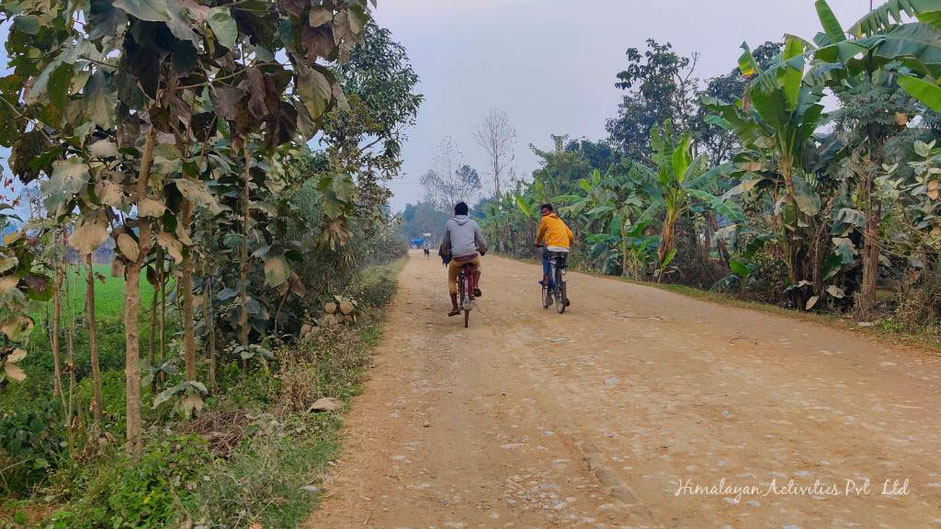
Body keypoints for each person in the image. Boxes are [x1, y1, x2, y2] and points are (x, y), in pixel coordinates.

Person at [439, 202, 487, 316]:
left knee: (451, 279)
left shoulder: (449, 223)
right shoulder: (473, 223)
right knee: (478, 265)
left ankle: (455, 306)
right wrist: (483, 250)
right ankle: (475, 285)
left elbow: (445, 243)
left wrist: (445, 253)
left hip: (457, 259)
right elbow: (481, 242)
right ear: (467, 212)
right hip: (472, 256)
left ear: (455, 212)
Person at [534, 203, 574, 299]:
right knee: (559, 266)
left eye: (545, 212)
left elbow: (540, 233)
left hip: (552, 248)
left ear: (551, 212)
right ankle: (560, 287)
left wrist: (537, 242)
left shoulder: (545, 219)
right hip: (565, 248)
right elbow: (571, 235)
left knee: (545, 256)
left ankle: (547, 278)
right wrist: (568, 245)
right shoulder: (560, 221)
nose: (544, 214)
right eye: (542, 212)